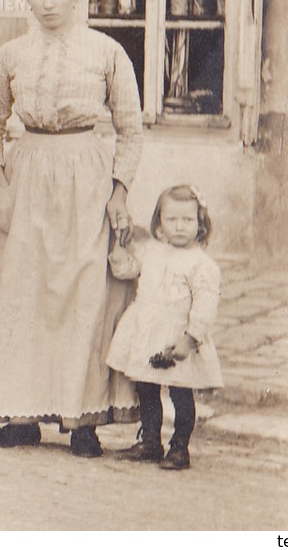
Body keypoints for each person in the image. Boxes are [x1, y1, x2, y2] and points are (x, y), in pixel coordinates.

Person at [0, 0, 142, 457]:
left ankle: (81, 420)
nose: (48, 4)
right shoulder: (10, 55)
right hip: (27, 176)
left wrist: (119, 192)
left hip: (86, 173)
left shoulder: (107, 52)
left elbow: (130, 131)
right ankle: (19, 418)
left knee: (82, 296)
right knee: (22, 296)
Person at [105, 185, 224, 470]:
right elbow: (129, 270)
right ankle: (150, 441)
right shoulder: (152, 251)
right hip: (147, 332)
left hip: (176, 337)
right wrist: (119, 252)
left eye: (188, 220)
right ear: (159, 222)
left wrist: (190, 338)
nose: (180, 227)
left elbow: (205, 307)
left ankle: (180, 447)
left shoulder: (202, 265)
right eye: (172, 220)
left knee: (180, 393)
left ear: (200, 223)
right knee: (146, 388)